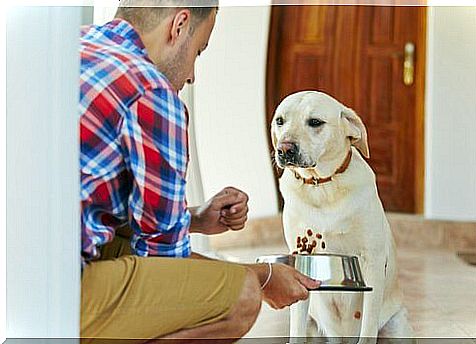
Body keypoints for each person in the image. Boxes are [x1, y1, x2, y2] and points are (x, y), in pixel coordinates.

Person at [79, 0, 321, 341]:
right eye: (198, 51)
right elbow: (166, 266)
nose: (192, 74)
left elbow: (94, 204)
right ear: (179, 26)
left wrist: (192, 219)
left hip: (22, 273)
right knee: (241, 297)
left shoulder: (77, 46)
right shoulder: (151, 92)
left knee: (125, 241)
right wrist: (263, 277)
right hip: (57, 294)